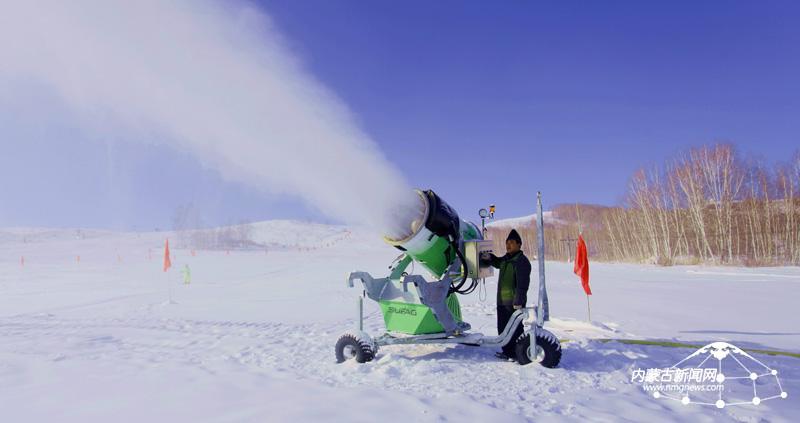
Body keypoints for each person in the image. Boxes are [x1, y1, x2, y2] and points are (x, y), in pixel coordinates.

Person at [481, 229, 531, 360]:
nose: (508, 245)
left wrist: (519, 300)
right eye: (507, 242)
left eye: (512, 242)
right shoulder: (507, 259)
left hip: (514, 302)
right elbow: (498, 263)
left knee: (515, 329)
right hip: (502, 301)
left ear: (519, 244)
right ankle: (508, 352)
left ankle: (518, 352)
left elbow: (522, 284)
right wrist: (489, 257)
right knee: (503, 329)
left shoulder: (521, 261)